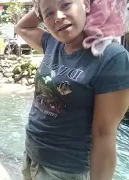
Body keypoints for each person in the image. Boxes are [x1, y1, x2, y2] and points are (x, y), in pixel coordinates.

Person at [16, 0, 129, 180]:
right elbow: (22, 27)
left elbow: (104, 134)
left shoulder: (111, 56)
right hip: (32, 158)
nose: (58, 17)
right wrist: (41, 6)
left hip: (65, 171)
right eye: (49, 14)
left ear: (86, 3)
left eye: (65, 4)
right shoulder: (53, 43)